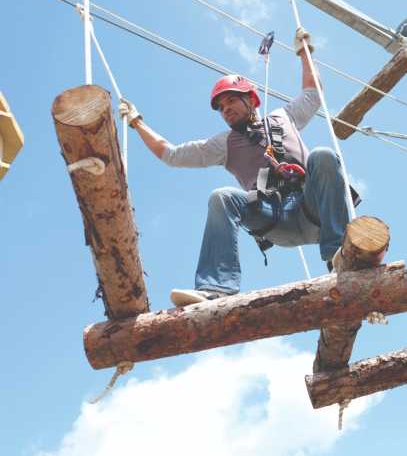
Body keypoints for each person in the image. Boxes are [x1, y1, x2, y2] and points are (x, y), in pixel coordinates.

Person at [120, 28, 355, 307]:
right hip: (275, 218)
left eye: (231, 100)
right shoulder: (224, 144)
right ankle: (216, 288)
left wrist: (304, 52)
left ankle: (340, 254)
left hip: (312, 208)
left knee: (323, 155)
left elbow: (312, 94)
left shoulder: (284, 117)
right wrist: (137, 123)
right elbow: (170, 154)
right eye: (220, 106)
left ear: (250, 100)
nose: (225, 109)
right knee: (221, 196)